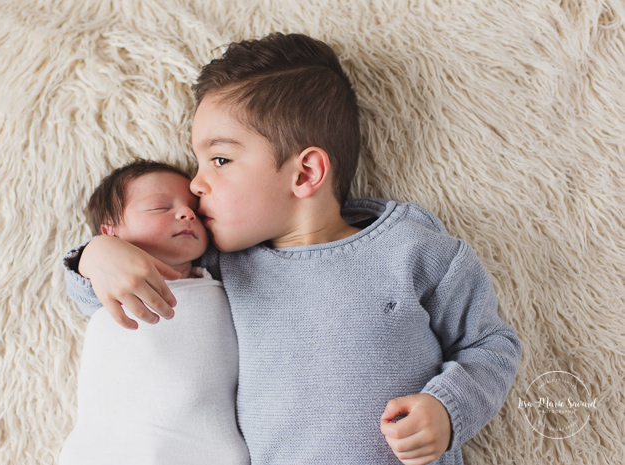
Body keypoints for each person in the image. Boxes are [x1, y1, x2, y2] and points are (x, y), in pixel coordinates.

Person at [63, 33, 522, 465]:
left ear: (305, 174)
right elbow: (119, 295)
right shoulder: (226, 263)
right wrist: (97, 254)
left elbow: (489, 345)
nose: (196, 183)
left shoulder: (414, 252)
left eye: (219, 159)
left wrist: (447, 409)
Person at [59, 161, 249, 465]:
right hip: (112, 450)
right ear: (112, 232)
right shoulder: (108, 288)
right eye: (161, 208)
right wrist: (98, 250)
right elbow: (80, 282)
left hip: (205, 447)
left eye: (194, 209)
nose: (187, 213)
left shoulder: (218, 271)